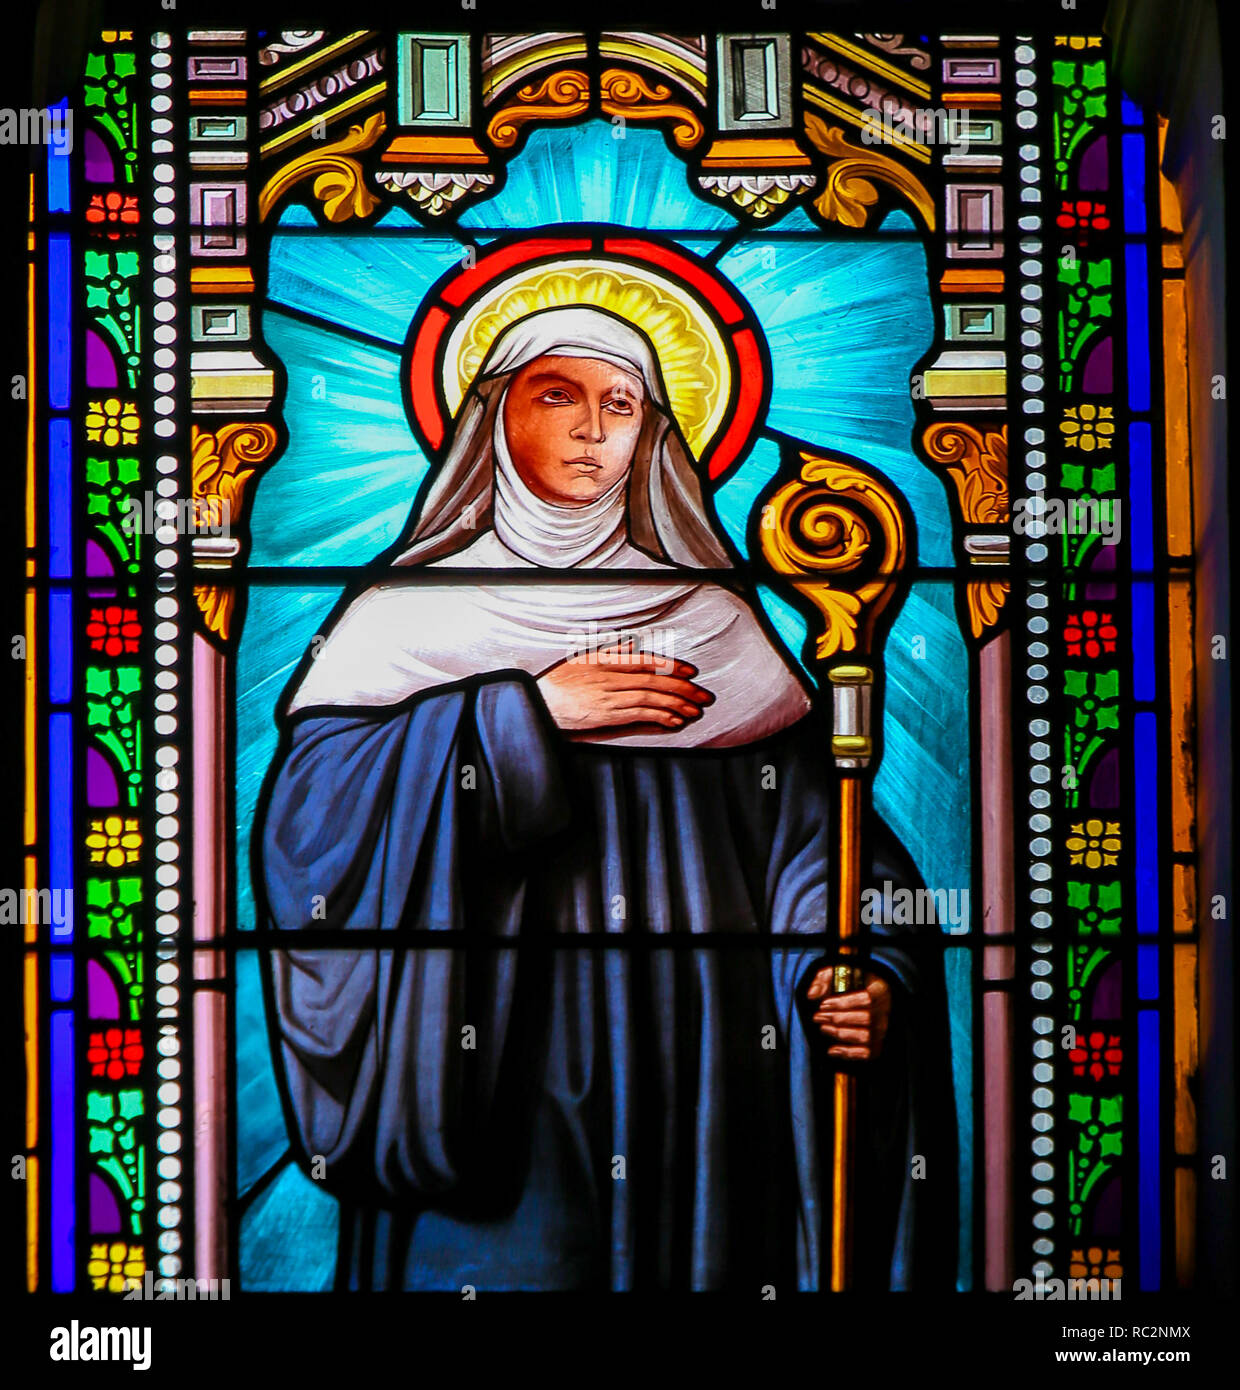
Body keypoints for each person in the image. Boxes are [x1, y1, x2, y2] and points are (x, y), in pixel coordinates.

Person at [254, 305, 956, 1290]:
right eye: (559, 395)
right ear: (492, 415)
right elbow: (308, 837)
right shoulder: (397, 620)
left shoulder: (714, 624)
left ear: (653, 431)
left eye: (621, 403)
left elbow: (817, 848)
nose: (594, 428)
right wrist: (520, 718)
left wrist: (867, 971)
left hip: (699, 1074)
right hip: (490, 1073)